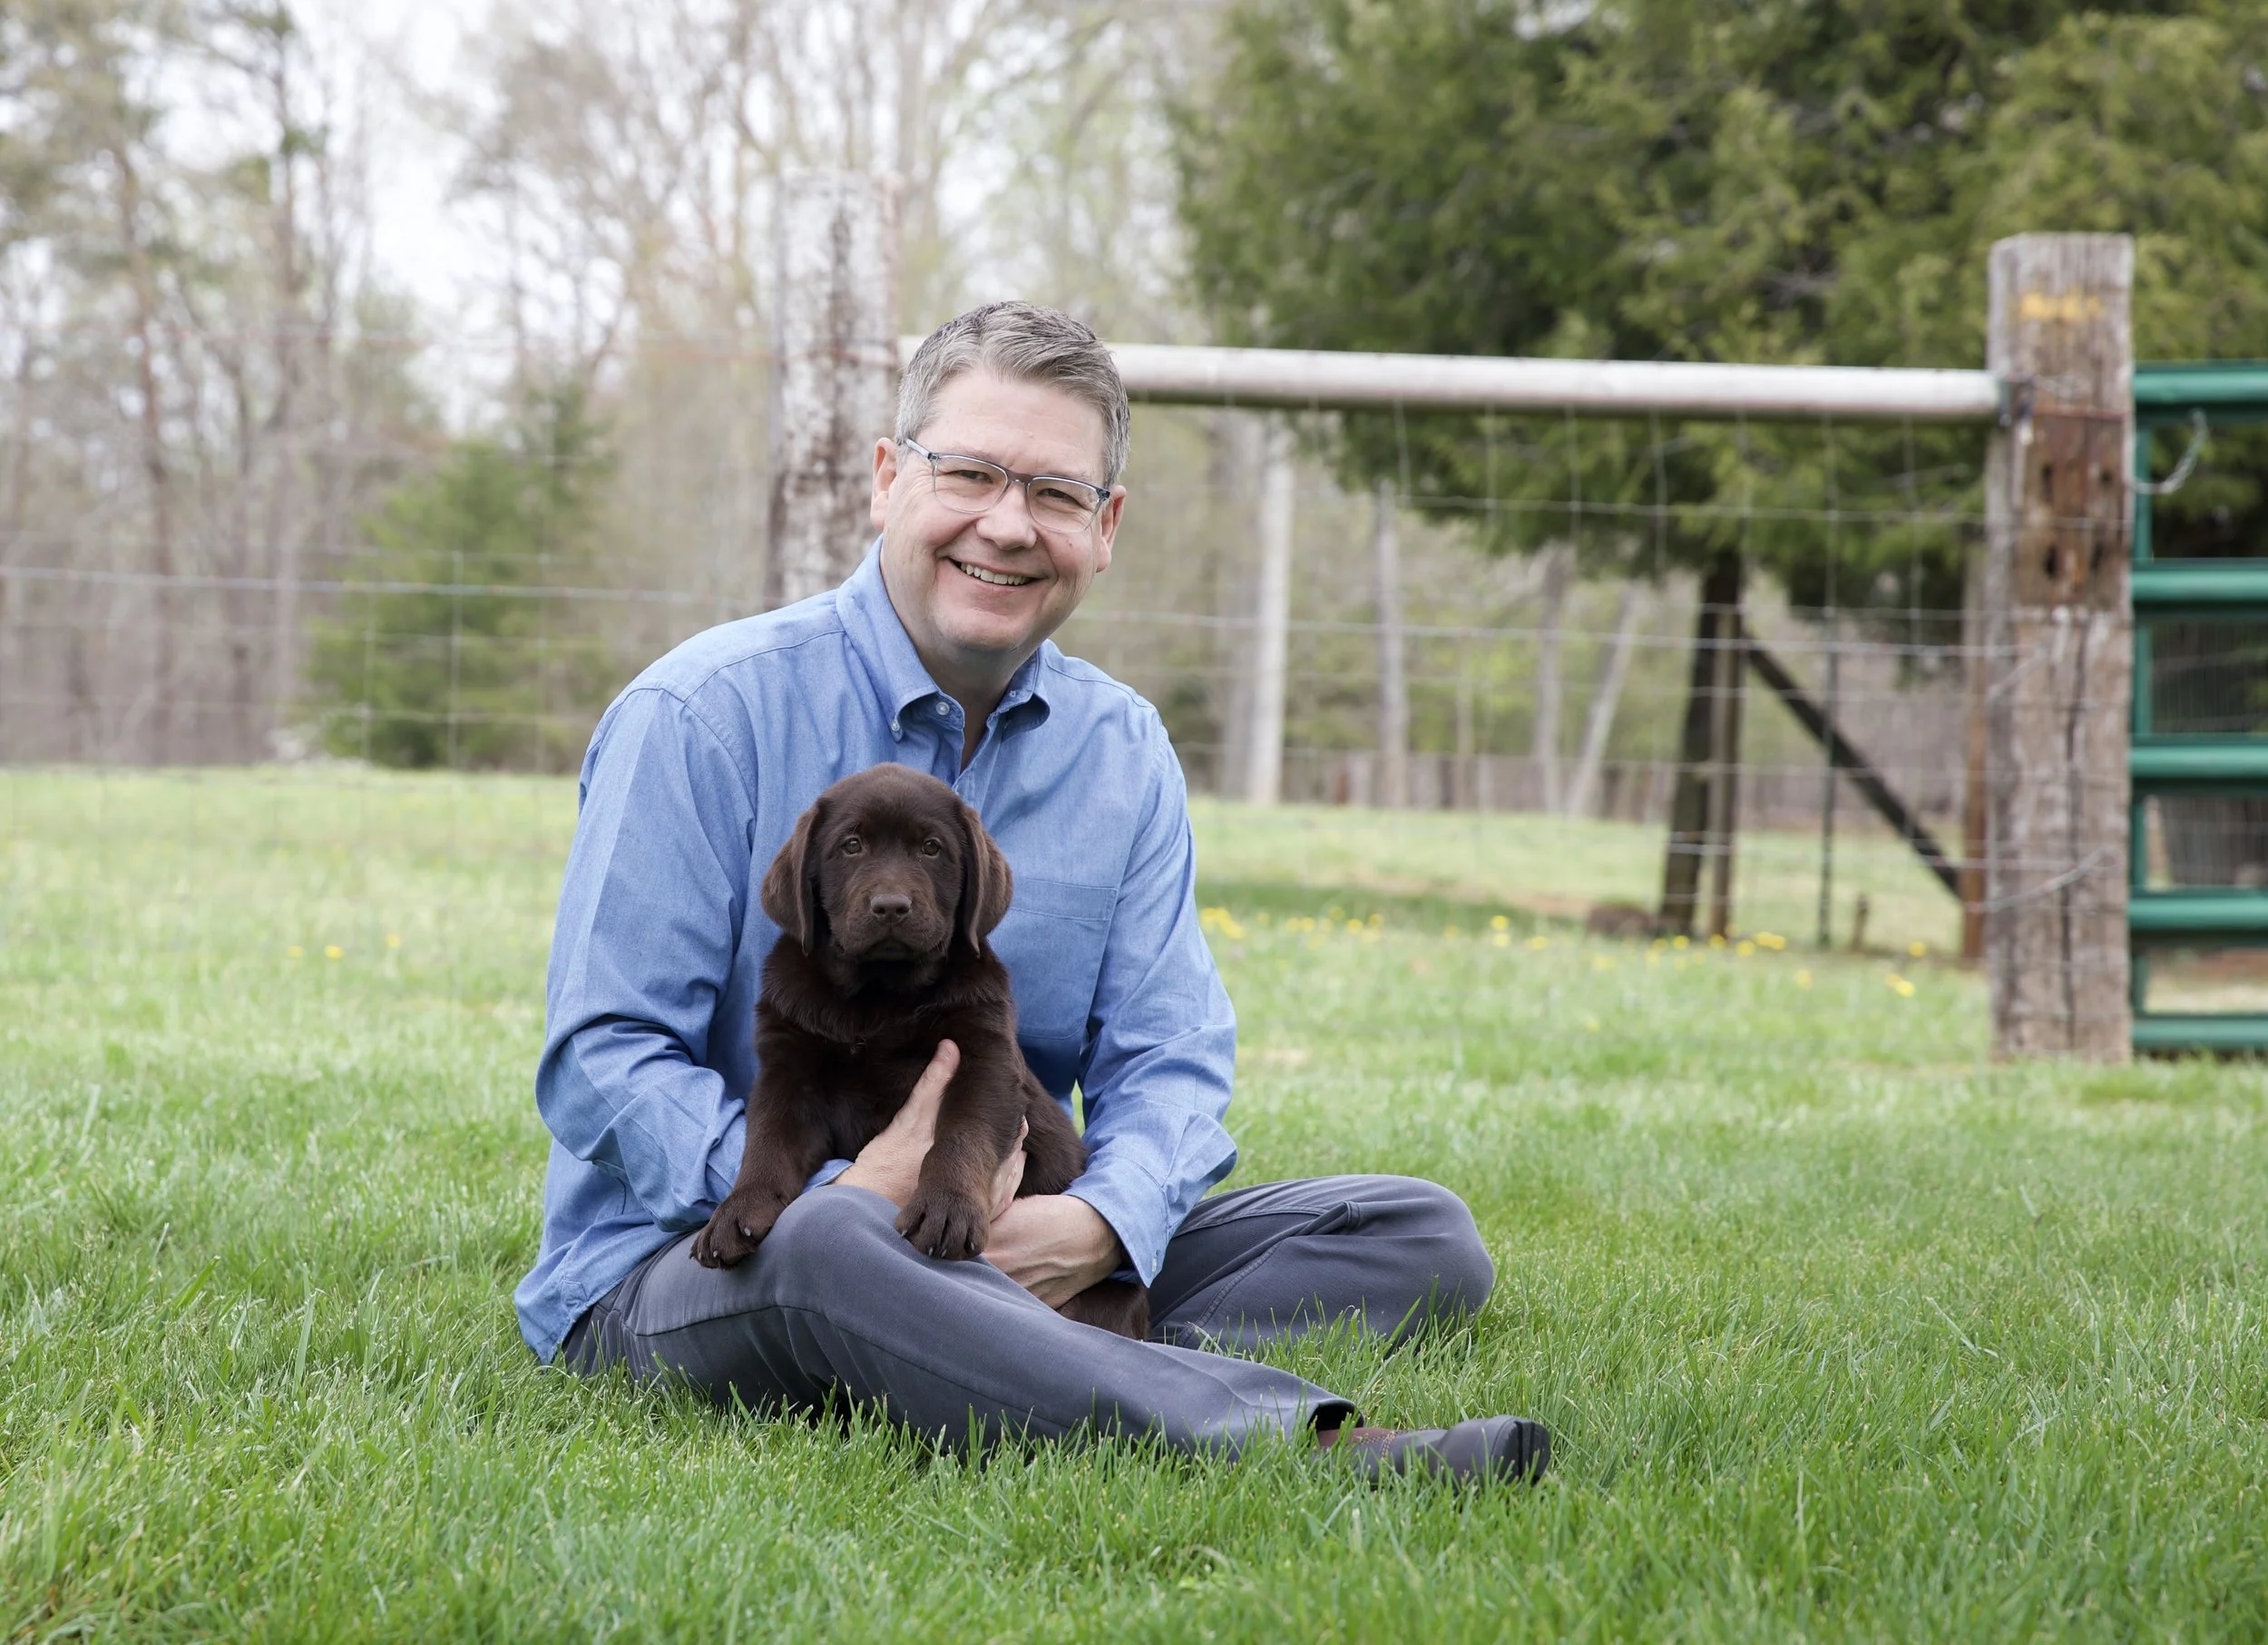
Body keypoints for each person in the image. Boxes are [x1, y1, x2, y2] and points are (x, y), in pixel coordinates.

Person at [513, 301, 1549, 1482]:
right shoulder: (701, 716)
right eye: (969, 474)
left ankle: (981, 1346)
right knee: (836, 1253)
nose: (1007, 526)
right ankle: (1305, 1445)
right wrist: (843, 1198)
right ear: (888, 478)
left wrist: (1096, 1226)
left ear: (1104, 528)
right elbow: (602, 1057)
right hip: (715, 1258)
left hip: (995, 1215)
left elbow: (1168, 1057)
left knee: (1412, 1232)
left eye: (1055, 493)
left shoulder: (1122, 751)